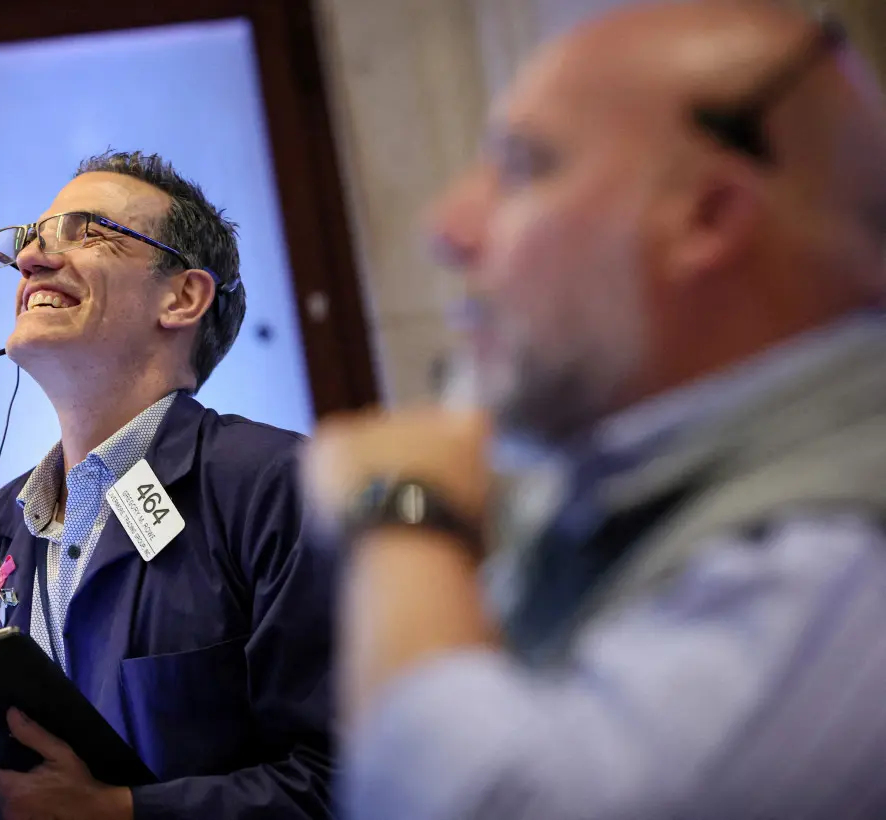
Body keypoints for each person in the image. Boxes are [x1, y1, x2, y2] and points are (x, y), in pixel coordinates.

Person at [302, 2, 886, 818]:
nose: (448, 230)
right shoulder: (615, 465)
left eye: (522, 167)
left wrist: (404, 513)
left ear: (707, 217)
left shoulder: (840, 549)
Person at [0, 151, 333, 819]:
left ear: (182, 298)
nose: (31, 258)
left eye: (86, 230)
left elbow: (350, 782)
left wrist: (120, 812)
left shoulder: (276, 487)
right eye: (32, 238)